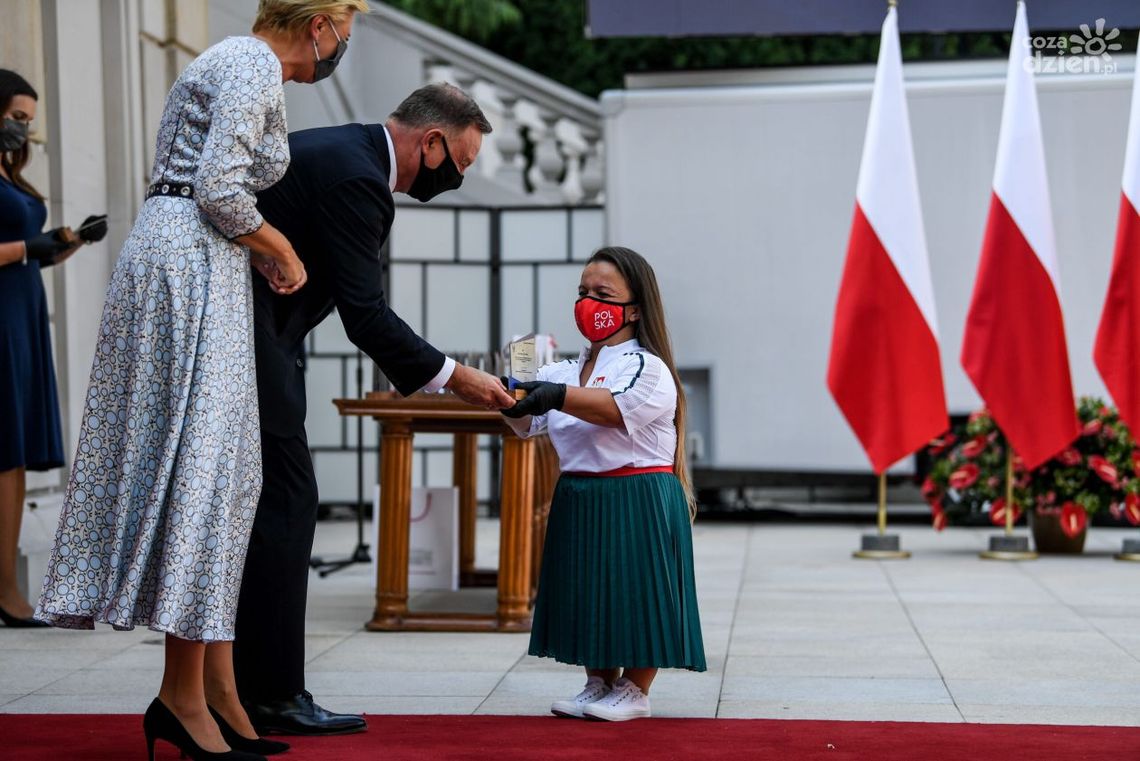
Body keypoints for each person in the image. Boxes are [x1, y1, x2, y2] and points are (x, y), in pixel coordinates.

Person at [35, 2, 368, 759]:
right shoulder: (251, 65)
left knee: (227, 474)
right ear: (318, 23)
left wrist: (253, 249)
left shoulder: (231, 61)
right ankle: (183, 694)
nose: (343, 46)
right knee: (205, 473)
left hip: (190, 258)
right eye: (346, 29)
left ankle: (216, 687)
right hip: (189, 260)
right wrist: (280, 246)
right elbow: (219, 188)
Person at [234, 82, 515, 736]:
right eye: (461, 165)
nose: (456, 178)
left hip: (261, 336)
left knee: (267, 504)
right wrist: (456, 376)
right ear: (433, 141)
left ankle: (239, 685)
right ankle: (271, 694)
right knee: (288, 500)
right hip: (247, 338)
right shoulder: (358, 178)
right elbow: (366, 314)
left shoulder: (344, 153)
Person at [502, 246, 706, 722]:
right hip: (580, 492)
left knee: (638, 589)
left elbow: (614, 410)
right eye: (583, 293)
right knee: (587, 588)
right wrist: (508, 395)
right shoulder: (564, 369)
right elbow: (525, 425)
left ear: (634, 308)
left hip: (637, 493)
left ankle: (636, 690)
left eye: (603, 294)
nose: (588, 303)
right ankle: (597, 682)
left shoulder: (648, 368)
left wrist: (552, 397)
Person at [0, 69, 107, 629]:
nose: (23, 131)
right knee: (5, 451)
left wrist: (68, 242)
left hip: (20, 312)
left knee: (13, 452)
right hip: (0, 317)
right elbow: (15, 250)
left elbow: (30, 253)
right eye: (16, 118)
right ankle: (6, 593)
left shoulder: (10, 174)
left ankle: (7, 588)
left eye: (28, 122)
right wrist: (25, 247)